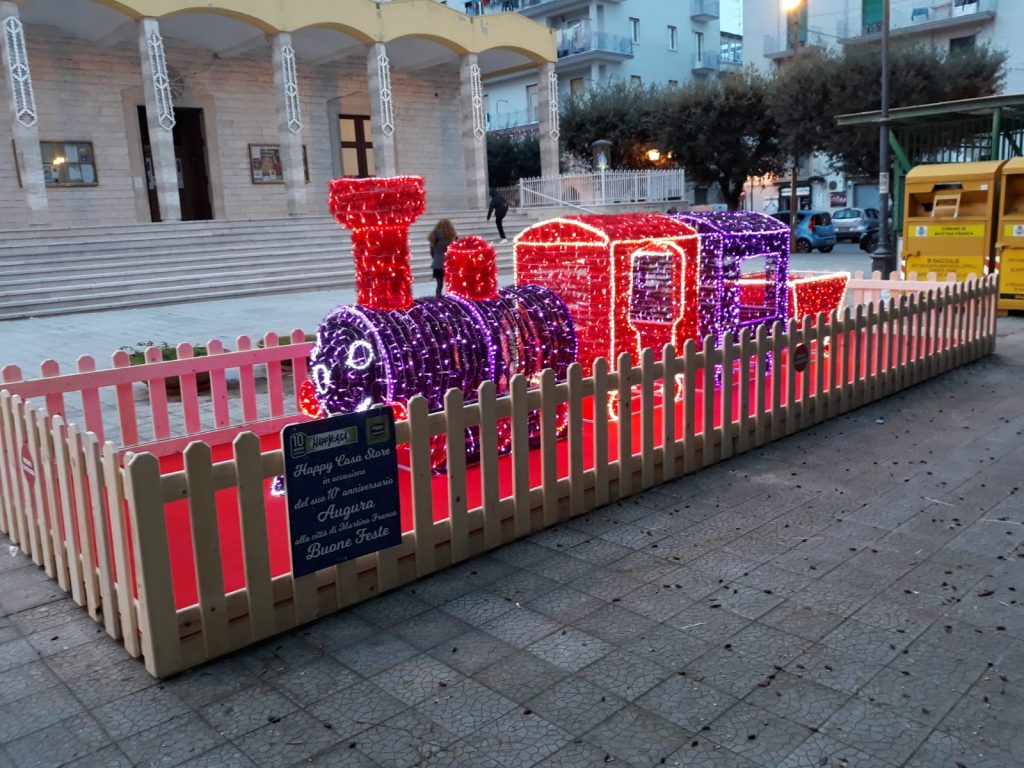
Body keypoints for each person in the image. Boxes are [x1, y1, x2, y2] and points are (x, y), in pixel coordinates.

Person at [428, 219, 457, 297]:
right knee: (450, 283)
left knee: (439, 284)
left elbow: (432, 253)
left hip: (437, 264)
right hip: (449, 263)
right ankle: (451, 299)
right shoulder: (451, 238)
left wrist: (437, 259)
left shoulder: (434, 238)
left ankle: (438, 298)